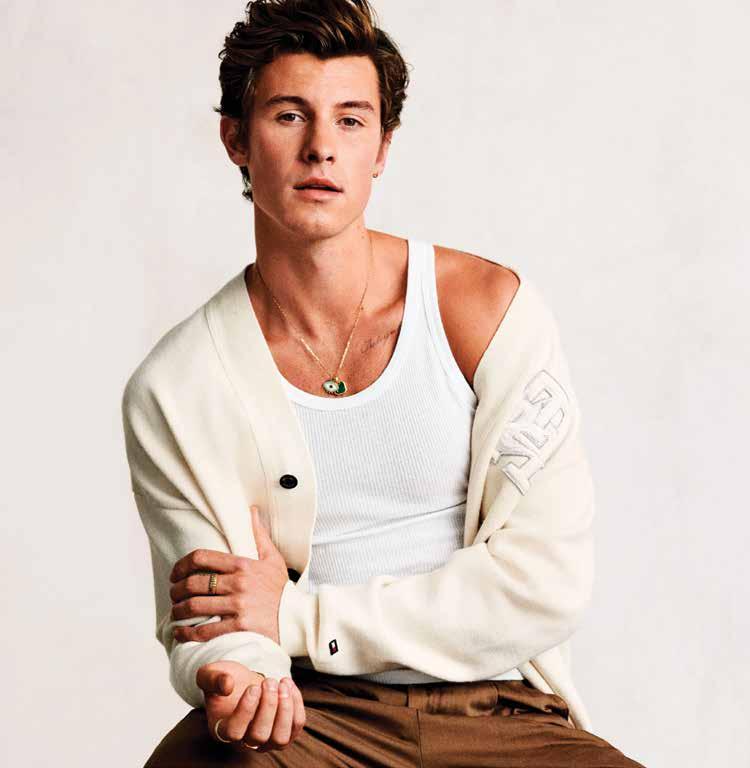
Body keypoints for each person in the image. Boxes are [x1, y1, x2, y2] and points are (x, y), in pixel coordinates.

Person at [121, 1, 647, 765]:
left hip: (502, 709)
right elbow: (216, 611)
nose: (321, 148)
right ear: (236, 139)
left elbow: (545, 583)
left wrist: (296, 619)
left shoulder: (486, 314)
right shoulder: (178, 386)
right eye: (289, 115)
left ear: (382, 148)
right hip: (312, 716)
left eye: (351, 120)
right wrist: (242, 673)